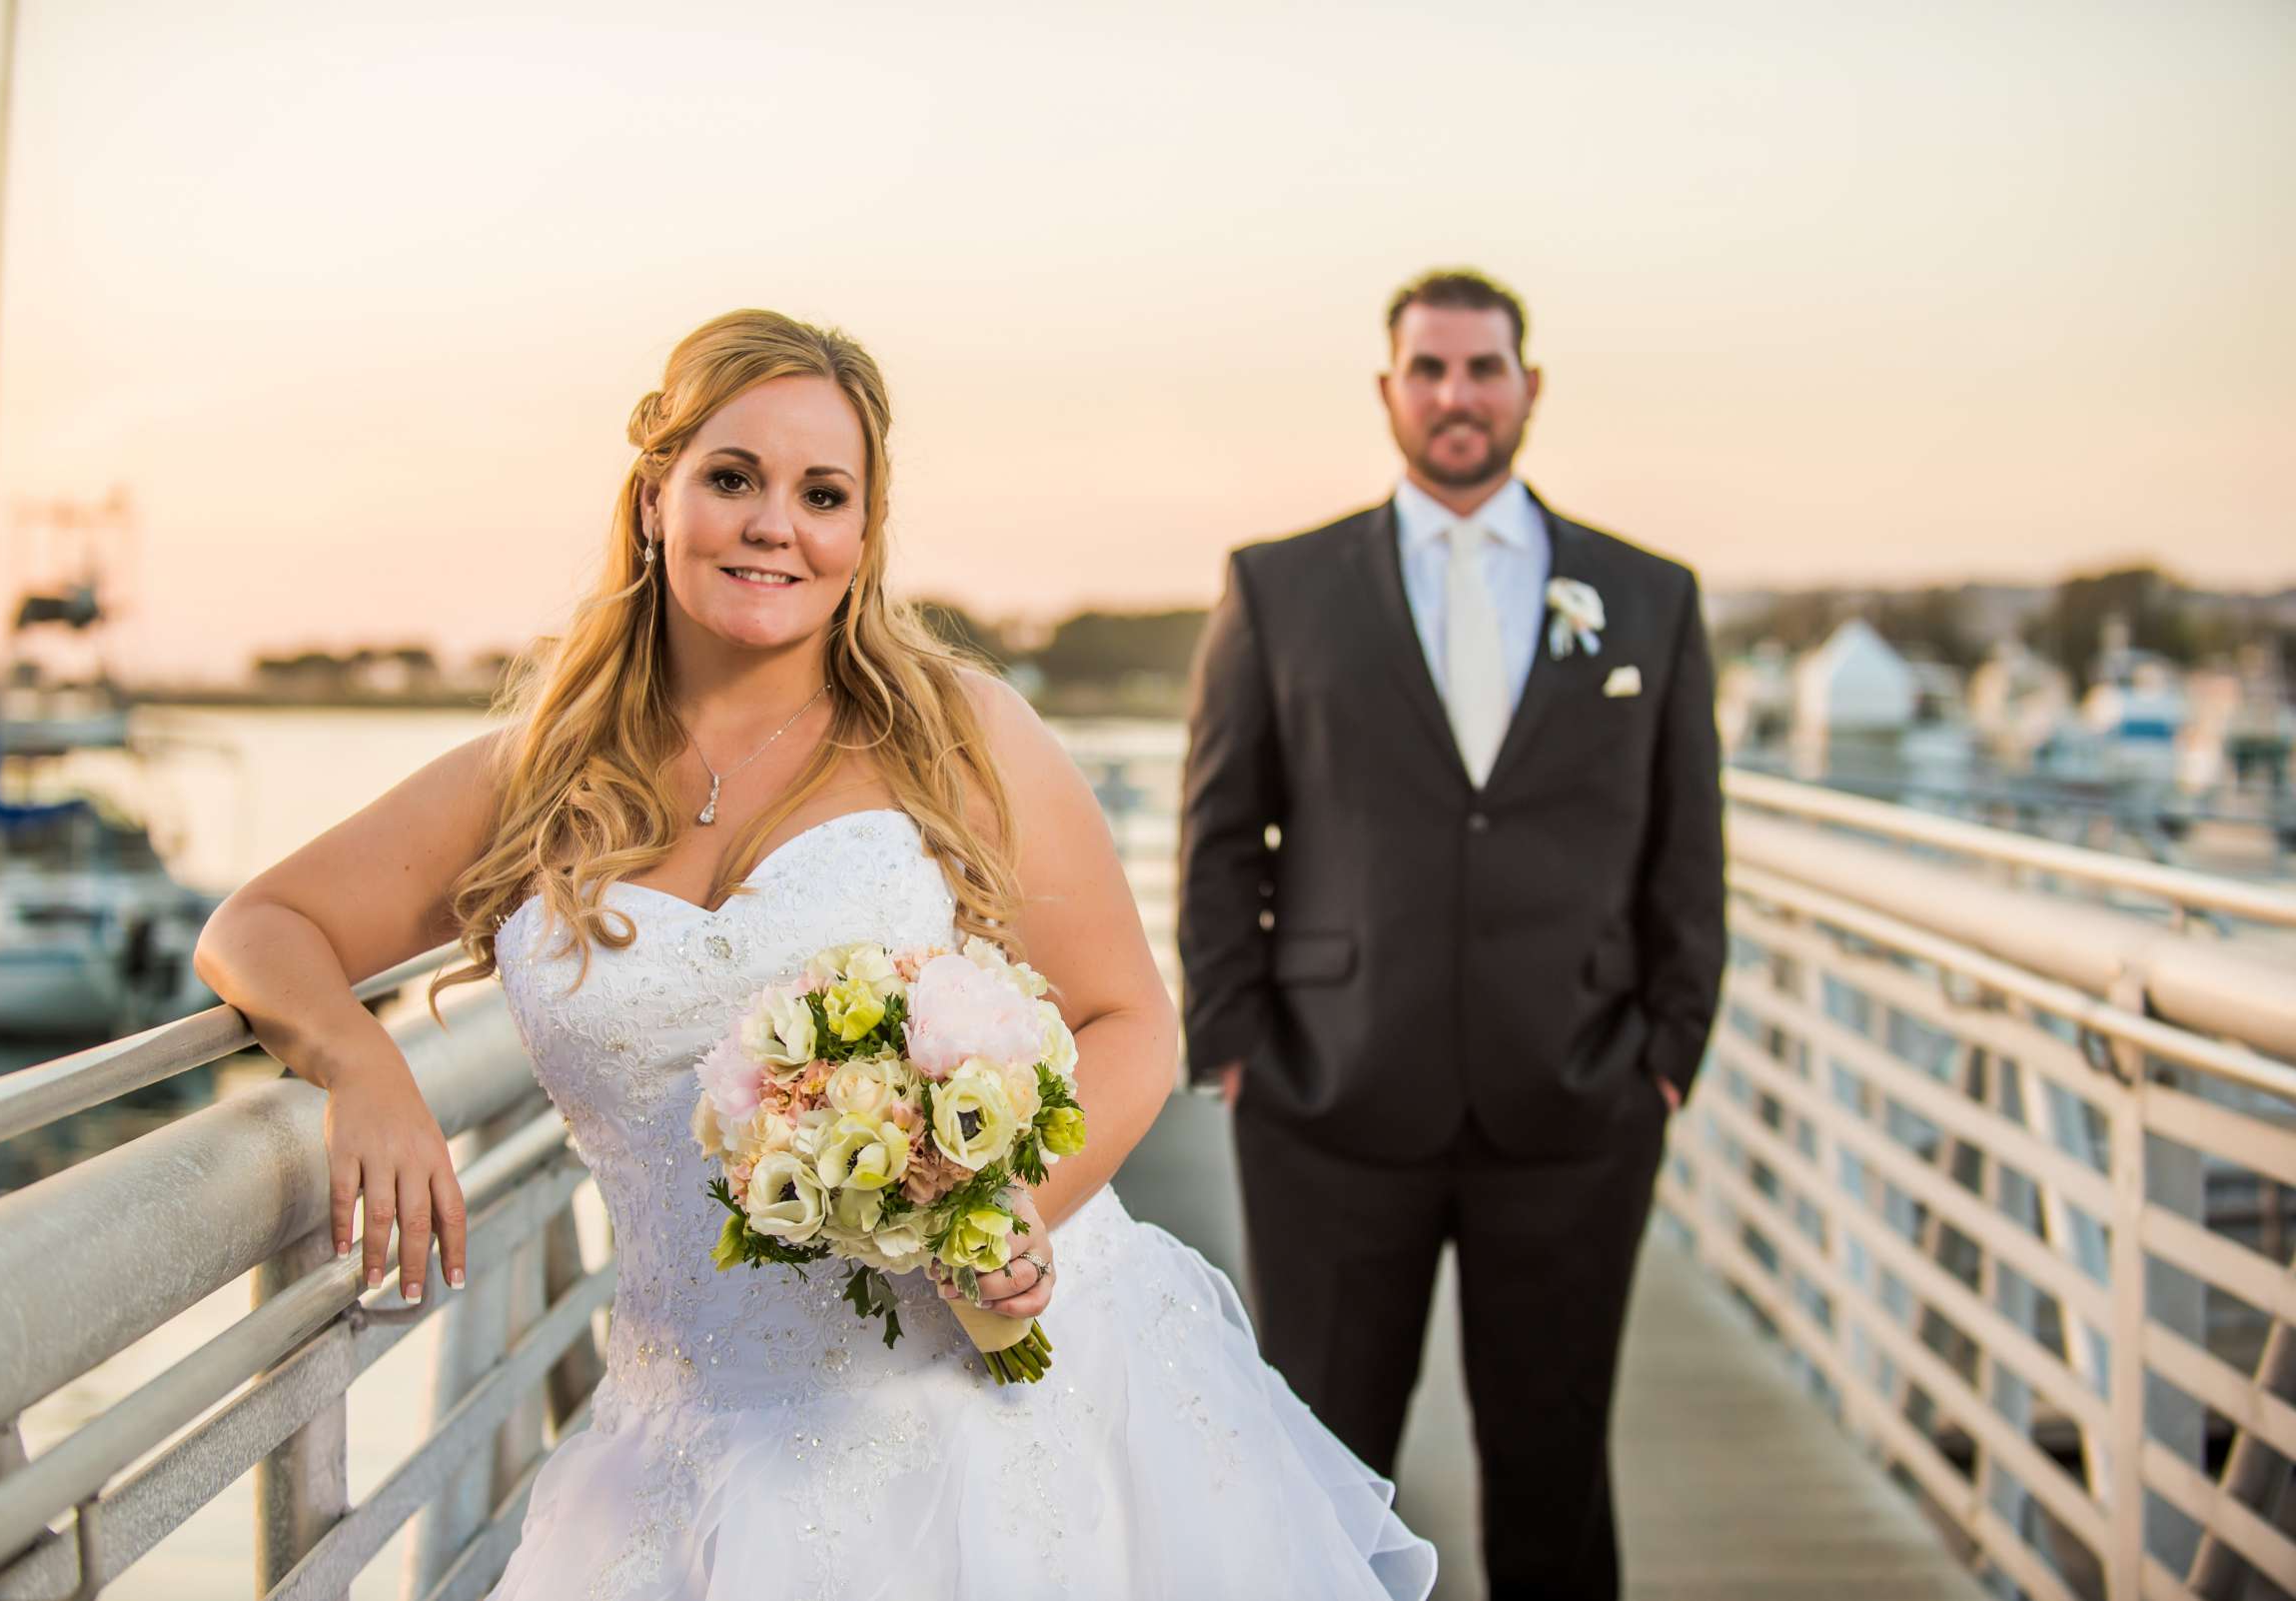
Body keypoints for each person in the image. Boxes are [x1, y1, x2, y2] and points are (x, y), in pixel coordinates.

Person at [193, 309, 1435, 1599]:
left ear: (862, 534)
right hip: (696, 1440)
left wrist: (1007, 1209)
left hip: (987, 1419)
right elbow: (258, 927)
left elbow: (1131, 1018)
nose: (774, 523)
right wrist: (363, 1065)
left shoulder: (959, 734)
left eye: (822, 492)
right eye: (732, 478)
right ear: (656, 495)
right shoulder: (533, 779)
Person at [1178, 269, 1726, 1600]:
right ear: (1389, 392)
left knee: (1554, 1468)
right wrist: (1235, 1046)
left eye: (1483, 368)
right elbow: (1217, 829)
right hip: (1328, 1104)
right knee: (1322, 1470)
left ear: (1529, 387)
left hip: (1578, 1104)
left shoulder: (1647, 594)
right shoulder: (1282, 586)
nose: (1457, 395)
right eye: (1430, 370)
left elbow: (1687, 847)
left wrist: (1665, 1057)